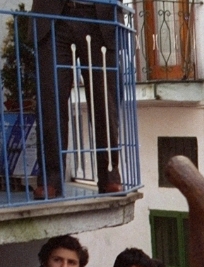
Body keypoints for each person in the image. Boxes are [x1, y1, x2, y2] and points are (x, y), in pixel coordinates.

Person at [31, 0, 124, 199]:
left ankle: (109, 176)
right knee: (50, 101)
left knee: (104, 102)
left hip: (100, 16)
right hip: (55, 15)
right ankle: (49, 180)